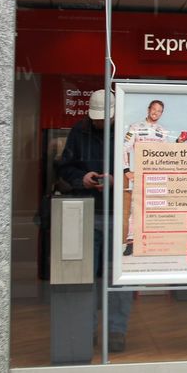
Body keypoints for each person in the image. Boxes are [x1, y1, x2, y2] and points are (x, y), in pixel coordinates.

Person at [56, 89, 133, 353]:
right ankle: (85, 330)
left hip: (119, 215)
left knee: (118, 278)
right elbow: (64, 167)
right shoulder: (80, 130)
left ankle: (116, 331)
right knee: (85, 277)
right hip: (88, 211)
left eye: (105, 118)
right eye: (97, 118)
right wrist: (83, 178)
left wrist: (116, 180)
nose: (100, 122)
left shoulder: (127, 131)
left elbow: (140, 169)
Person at [122, 100, 184, 256]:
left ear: (162, 113)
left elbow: (168, 152)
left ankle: (154, 242)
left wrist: (178, 142)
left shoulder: (163, 131)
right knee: (136, 208)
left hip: (157, 175)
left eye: (159, 111)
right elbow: (123, 148)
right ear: (148, 109)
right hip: (140, 175)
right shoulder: (134, 127)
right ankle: (131, 241)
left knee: (156, 208)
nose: (156, 112)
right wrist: (126, 170)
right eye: (154, 109)